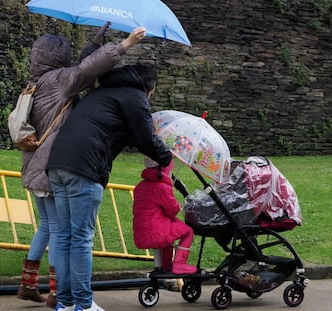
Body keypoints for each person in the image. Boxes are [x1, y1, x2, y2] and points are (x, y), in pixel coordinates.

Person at [17, 24, 146, 310]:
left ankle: (50, 293)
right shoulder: (58, 81)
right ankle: (66, 297)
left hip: (35, 167)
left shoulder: (37, 82)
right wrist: (124, 45)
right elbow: (85, 72)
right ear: (58, 57)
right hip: (55, 166)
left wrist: (97, 41)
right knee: (65, 234)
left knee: (55, 231)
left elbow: (81, 68)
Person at [46, 62, 172, 311]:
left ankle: (66, 302)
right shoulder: (136, 97)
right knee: (81, 237)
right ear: (150, 88)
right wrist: (166, 157)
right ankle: (83, 304)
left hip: (58, 163)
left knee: (63, 236)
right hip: (85, 167)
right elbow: (145, 137)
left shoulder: (104, 91)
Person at [133, 157, 197, 275]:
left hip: (143, 230)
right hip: (157, 230)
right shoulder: (162, 187)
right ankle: (179, 264)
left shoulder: (140, 186)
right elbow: (172, 210)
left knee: (168, 234)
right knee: (187, 231)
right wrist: (177, 203)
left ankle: (163, 266)